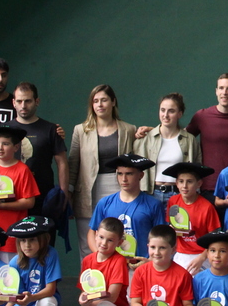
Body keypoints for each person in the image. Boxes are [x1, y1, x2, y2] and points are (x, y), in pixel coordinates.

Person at [68, 84, 137, 255]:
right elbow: (73, 165)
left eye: (104, 100)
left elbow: (135, 163)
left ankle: (117, 273)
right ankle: (90, 272)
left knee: (119, 239)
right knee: (88, 244)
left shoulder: (129, 130)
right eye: (95, 101)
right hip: (87, 191)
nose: (100, 104)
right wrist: (69, 194)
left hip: (119, 186)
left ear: (113, 102)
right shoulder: (80, 130)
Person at [182, 74, 228, 201]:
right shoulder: (202, 116)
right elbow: (179, 136)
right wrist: (153, 131)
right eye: (221, 88)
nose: (224, 92)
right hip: (208, 188)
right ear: (216, 91)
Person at [0, 125, 38, 263]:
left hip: (11, 232)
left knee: (9, 272)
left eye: (5, 144)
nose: (0, 148)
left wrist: (1, 205)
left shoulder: (22, 170)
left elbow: (29, 201)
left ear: (16, 147)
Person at [89, 153, 165, 261]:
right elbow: (92, 232)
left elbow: (162, 238)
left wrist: (149, 262)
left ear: (141, 175)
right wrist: (101, 257)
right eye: (120, 174)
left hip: (141, 263)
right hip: (112, 264)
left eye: (129, 174)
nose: (124, 179)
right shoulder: (105, 203)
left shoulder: (154, 205)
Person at [9, 82, 68, 216]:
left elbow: (62, 163)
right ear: (13, 103)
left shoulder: (51, 129)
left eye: (28, 101)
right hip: (11, 197)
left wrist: (63, 196)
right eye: (19, 101)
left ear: (37, 101)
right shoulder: (3, 130)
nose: (23, 106)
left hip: (43, 197)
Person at [136, 92, 201, 206]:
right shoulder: (146, 138)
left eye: (171, 111)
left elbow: (197, 169)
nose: (165, 115)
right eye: (162, 110)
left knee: (176, 219)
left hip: (178, 194)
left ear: (179, 114)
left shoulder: (189, 140)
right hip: (151, 194)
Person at [164, 162, 221, 274]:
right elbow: (170, 226)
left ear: (199, 183)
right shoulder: (173, 201)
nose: (184, 186)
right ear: (176, 183)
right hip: (180, 253)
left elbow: (215, 239)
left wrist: (202, 258)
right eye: (181, 181)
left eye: (189, 182)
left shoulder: (207, 207)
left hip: (201, 255)